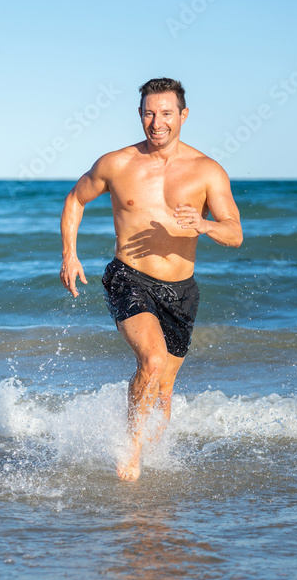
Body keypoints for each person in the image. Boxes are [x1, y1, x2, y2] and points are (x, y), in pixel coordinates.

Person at [59, 77, 242, 481]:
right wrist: (70, 254)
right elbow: (75, 199)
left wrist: (206, 225)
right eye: (148, 113)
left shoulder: (207, 171)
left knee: (163, 390)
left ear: (183, 115)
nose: (156, 122)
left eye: (165, 114)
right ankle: (131, 452)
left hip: (182, 291)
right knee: (152, 361)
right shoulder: (117, 163)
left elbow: (235, 232)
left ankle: (152, 455)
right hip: (129, 276)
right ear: (139, 114)